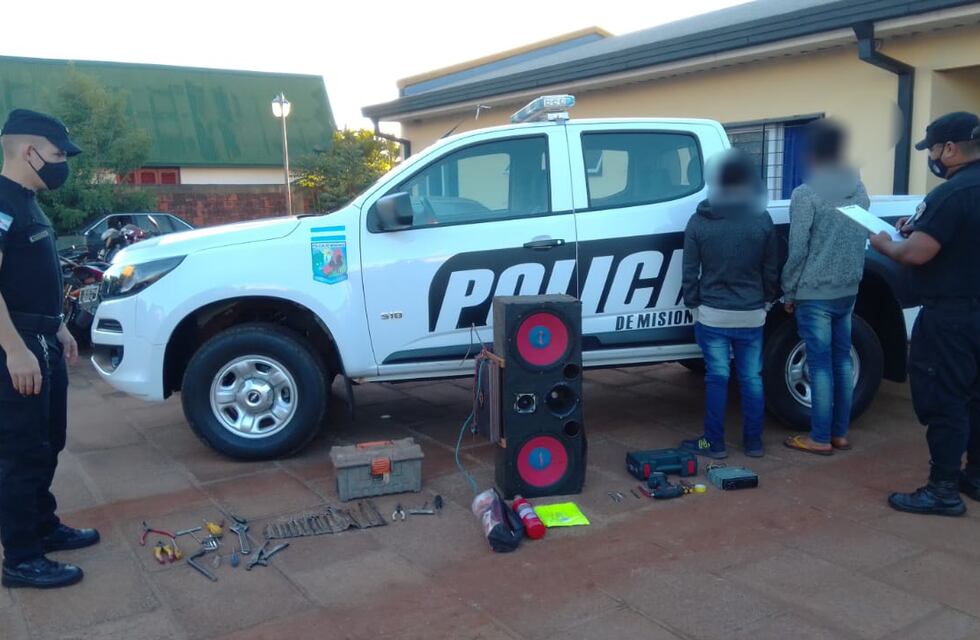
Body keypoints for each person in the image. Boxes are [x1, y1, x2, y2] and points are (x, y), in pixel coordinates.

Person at [0, 109, 100, 589]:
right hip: (16, 347)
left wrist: (59, 328)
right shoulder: (0, 199)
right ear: (29, 151)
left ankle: (43, 526)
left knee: (47, 443)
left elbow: (33, 278)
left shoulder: (27, 201)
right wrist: (14, 350)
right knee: (20, 453)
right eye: (58, 154)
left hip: (42, 338)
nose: (63, 164)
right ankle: (21, 558)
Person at [870, 111, 980, 517]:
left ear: (950, 149)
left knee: (946, 399)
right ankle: (975, 476)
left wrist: (884, 243)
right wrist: (916, 228)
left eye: (932, 149)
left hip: (952, 318)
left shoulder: (950, 194)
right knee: (977, 398)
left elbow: (915, 254)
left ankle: (943, 489)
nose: (931, 157)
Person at [681, 149, 780, 459]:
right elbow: (771, 267)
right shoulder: (761, 219)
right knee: (751, 378)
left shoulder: (699, 221)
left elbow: (689, 270)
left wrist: (694, 303)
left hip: (712, 315)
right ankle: (753, 443)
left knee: (717, 377)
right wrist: (766, 301)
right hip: (752, 314)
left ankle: (715, 443)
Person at [781, 120, 870, 456]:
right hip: (848, 290)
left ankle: (819, 438)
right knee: (842, 362)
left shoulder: (806, 195)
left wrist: (789, 291)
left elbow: (798, 248)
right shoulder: (859, 189)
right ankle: (840, 433)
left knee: (818, 365)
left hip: (814, 293)